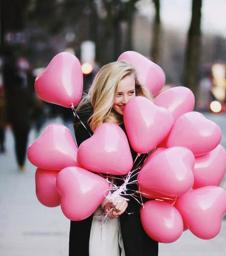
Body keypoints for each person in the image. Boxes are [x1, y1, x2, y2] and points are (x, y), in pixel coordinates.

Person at [70, 61, 158, 256]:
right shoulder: (87, 120)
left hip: (134, 216)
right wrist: (104, 199)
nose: (126, 100)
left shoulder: (145, 118)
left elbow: (149, 170)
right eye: (118, 94)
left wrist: (125, 198)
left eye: (131, 92)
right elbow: (82, 171)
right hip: (95, 215)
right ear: (105, 92)